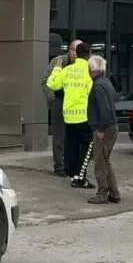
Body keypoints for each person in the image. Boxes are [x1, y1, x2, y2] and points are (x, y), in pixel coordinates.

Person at [46, 42, 95, 189]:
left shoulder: (67, 70)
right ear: (88, 55)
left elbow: (52, 84)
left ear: (77, 54)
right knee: (89, 146)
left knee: (72, 146)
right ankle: (80, 177)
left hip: (68, 116)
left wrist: (56, 70)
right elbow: (93, 93)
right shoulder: (89, 71)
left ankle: (74, 176)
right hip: (84, 116)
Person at [41, 39, 82, 177]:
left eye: (78, 50)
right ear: (69, 50)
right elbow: (45, 82)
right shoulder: (58, 62)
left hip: (75, 104)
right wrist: (53, 100)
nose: (75, 53)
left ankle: (71, 165)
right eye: (73, 50)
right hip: (59, 101)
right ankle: (59, 166)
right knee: (59, 135)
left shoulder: (82, 64)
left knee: (73, 137)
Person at [86, 55, 121, 204]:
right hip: (111, 127)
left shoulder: (98, 86)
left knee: (100, 162)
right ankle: (114, 193)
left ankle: (102, 193)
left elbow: (104, 111)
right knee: (106, 161)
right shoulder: (106, 82)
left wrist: (100, 128)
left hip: (104, 129)